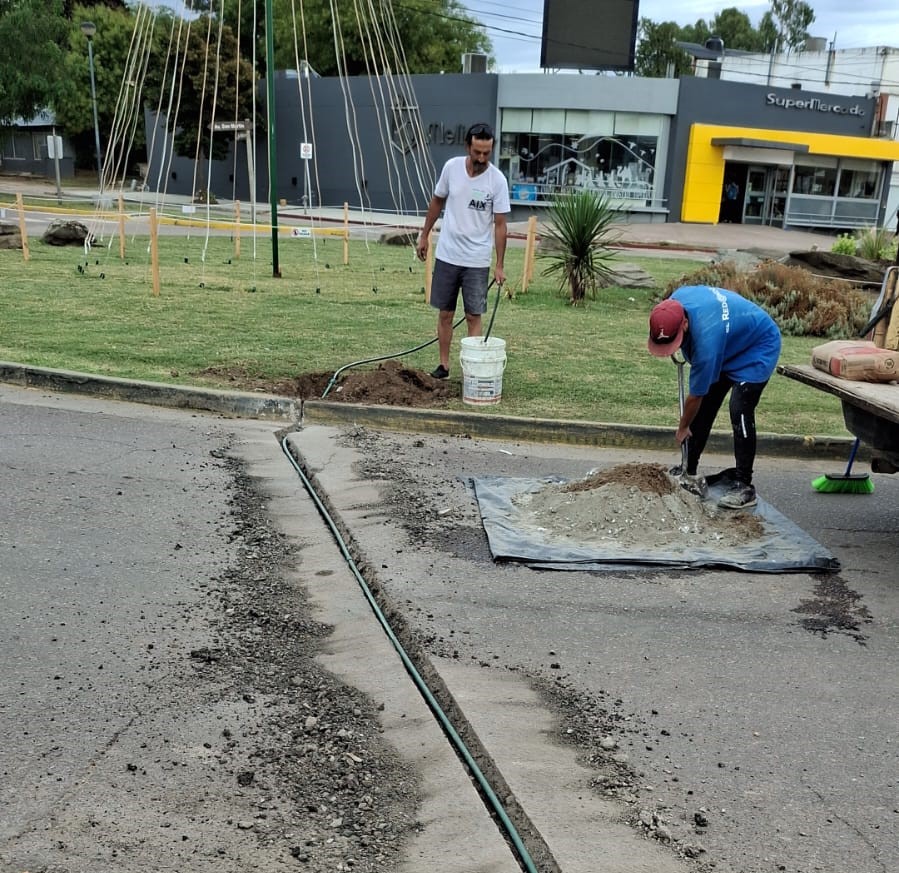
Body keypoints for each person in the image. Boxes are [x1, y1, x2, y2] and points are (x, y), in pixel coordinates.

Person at [646, 286, 782, 509]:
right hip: (729, 340)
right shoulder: (673, 303)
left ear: (685, 324)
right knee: (707, 405)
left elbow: (695, 397)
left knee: (740, 408)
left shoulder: (706, 345)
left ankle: (744, 485)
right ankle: (688, 469)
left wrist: (683, 427)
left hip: (758, 345)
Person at [416, 123, 510, 379]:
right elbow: (437, 201)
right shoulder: (451, 168)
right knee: (445, 313)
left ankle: (472, 369)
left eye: (486, 153)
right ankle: (444, 366)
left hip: (477, 260)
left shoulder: (497, 181)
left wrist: (499, 265)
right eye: (477, 152)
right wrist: (424, 235)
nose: (481, 158)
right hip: (447, 255)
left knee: (472, 315)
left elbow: (501, 226)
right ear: (468, 146)